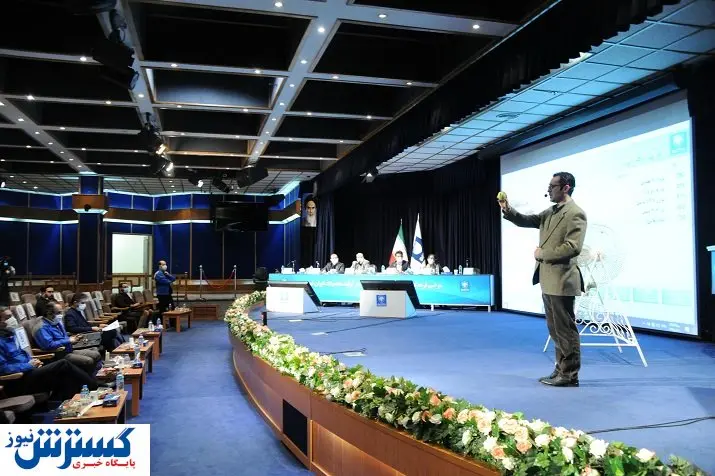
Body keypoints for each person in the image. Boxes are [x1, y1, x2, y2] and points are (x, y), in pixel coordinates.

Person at [499, 172, 587, 387]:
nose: (548, 190)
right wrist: (507, 209)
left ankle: (570, 375)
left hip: (562, 280)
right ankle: (560, 369)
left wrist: (541, 254)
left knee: (565, 330)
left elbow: (572, 247)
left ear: (565, 188)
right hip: (549, 279)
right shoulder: (550, 211)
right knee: (555, 329)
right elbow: (527, 220)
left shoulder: (575, 213)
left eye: (552, 186)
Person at [0, 307, 104, 401]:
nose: (12, 319)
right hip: (18, 380)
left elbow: (21, 356)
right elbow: (3, 368)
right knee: (63, 364)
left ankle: (70, 405)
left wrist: (32, 361)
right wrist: (29, 365)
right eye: (8, 317)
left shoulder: (10, 335)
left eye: (12, 316)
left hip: (30, 371)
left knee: (67, 376)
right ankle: (94, 387)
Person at [34, 304, 102, 376]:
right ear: (49, 313)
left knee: (96, 354)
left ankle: (93, 376)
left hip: (69, 350)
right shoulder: (41, 328)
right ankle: (87, 379)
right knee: (88, 361)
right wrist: (68, 340)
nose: (61, 315)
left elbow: (64, 337)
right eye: (59, 313)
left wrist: (74, 338)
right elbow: (48, 345)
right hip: (58, 355)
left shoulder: (56, 322)